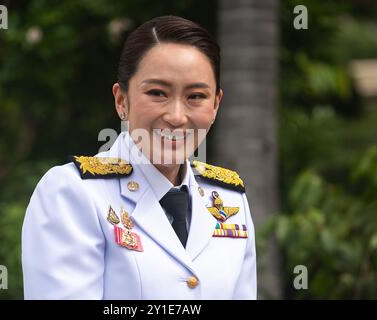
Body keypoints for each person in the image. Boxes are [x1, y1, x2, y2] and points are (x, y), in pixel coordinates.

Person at [22, 15, 256, 300]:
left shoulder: (230, 200)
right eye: (157, 93)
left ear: (216, 105)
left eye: (196, 96)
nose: (176, 116)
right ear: (122, 100)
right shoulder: (74, 194)